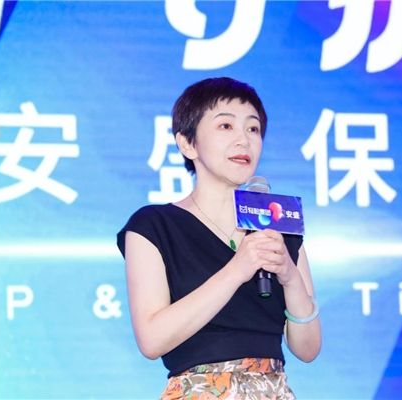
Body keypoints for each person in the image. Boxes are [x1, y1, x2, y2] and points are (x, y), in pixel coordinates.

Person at [117, 77, 321, 399]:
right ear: (187, 143)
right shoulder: (153, 226)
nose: (244, 140)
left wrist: (290, 276)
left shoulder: (278, 224)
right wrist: (237, 270)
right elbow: (152, 340)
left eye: (253, 128)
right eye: (226, 126)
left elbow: (308, 349)